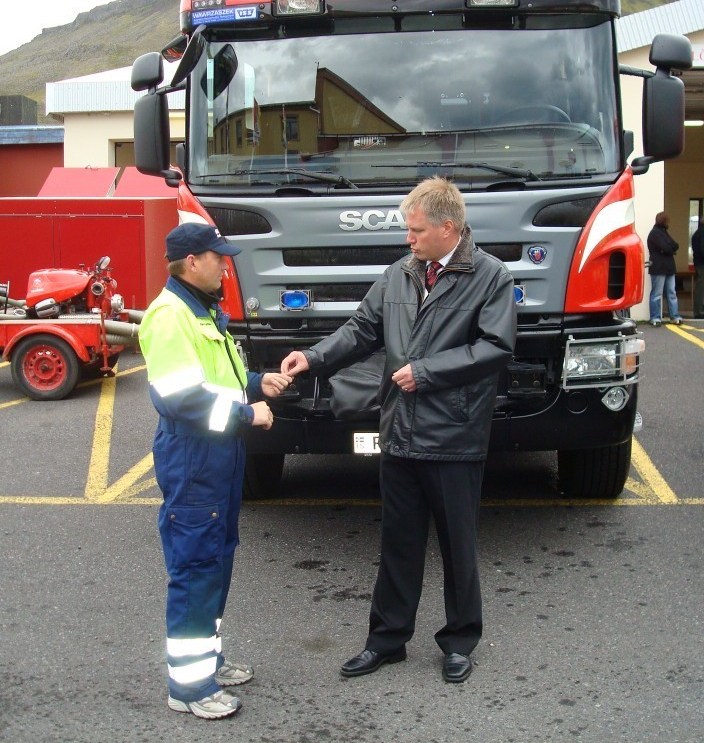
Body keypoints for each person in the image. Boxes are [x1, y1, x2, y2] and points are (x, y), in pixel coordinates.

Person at [281, 177, 516, 683]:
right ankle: (387, 641)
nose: (408, 239)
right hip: (401, 433)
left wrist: (427, 372)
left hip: (453, 437)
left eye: (415, 231)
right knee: (398, 544)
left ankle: (459, 641)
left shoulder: (490, 276)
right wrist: (313, 357)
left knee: (459, 546)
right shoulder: (399, 274)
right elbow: (362, 330)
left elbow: (497, 347)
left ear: (447, 227)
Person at [139, 223, 291, 719]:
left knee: (217, 562)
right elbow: (180, 400)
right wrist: (247, 413)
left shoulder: (202, 309)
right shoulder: (169, 316)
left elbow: (218, 378)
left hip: (218, 458)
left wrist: (254, 382)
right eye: (217, 257)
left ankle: (209, 660)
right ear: (190, 263)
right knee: (195, 570)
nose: (225, 264)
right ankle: (188, 688)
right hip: (194, 458)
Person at [647, 211, 682, 327]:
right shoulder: (655, 233)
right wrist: (670, 249)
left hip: (664, 267)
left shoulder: (662, 232)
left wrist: (668, 249)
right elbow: (669, 247)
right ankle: (657, 317)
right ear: (664, 221)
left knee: (670, 292)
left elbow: (674, 245)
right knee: (660, 293)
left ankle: (671, 316)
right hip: (660, 267)